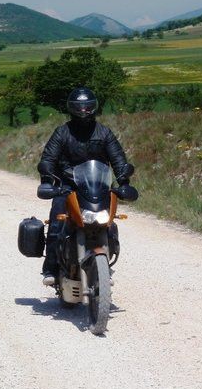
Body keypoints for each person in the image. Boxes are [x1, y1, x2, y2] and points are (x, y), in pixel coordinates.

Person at [36, 87, 135, 286]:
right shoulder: (62, 133)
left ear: (94, 108)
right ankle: (51, 268)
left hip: (97, 188)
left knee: (109, 223)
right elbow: (48, 159)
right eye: (79, 107)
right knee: (57, 222)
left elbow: (118, 160)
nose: (83, 111)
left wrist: (123, 179)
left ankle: (104, 262)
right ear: (71, 109)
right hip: (68, 187)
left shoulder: (104, 133)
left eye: (87, 107)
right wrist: (48, 179)